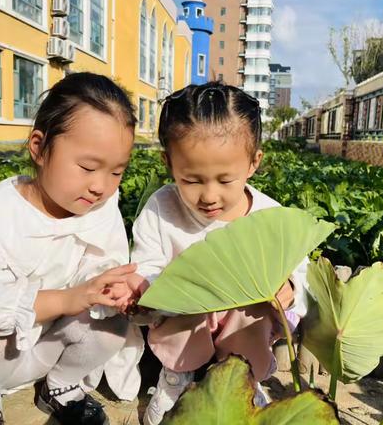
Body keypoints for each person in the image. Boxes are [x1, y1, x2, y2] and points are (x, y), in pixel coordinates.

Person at [0, 72, 146, 425]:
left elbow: (100, 263)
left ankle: (61, 384)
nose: (101, 187)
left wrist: (110, 287)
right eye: (88, 167)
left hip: (50, 348)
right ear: (39, 148)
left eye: (116, 173)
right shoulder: (0, 214)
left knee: (112, 330)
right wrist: (67, 300)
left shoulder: (101, 209)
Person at [129, 82, 309, 425]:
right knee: (177, 292)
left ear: (254, 163)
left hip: (243, 320)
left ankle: (241, 380)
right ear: (168, 163)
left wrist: (289, 288)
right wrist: (148, 286)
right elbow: (147, 264)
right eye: (192, 179)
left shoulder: (270, 216)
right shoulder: (161, 208)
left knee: (255, 307)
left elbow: (297, 270)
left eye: (225, 180)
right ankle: (176, 375)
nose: (209, 196)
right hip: (184, 318)